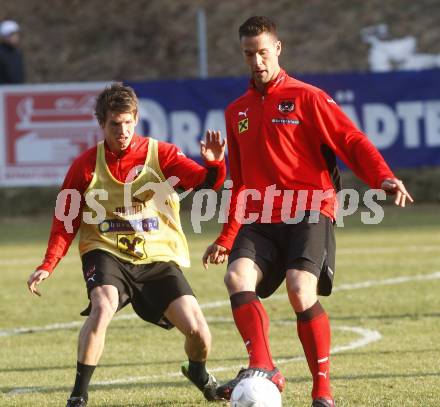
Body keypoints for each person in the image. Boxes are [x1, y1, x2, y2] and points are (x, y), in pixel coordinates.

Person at [202, 16, 413, 407]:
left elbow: (351, 140)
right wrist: (226, 236)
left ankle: (322, 390)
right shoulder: (237, 112)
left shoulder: (308, 97)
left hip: (309, 209)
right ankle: (263, 366)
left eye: (263, 52)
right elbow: (239, 181)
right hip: (260, 216)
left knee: (300, 289)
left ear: (277, 49)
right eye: (249, 54)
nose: (257, 61)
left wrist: (381, 177)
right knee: (236, 277)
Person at [26, 83, 227, 407]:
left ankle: (199, 373)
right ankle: (78, 396)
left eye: (127, 123)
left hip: (157, 255)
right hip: (106, 250)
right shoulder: (86, 165)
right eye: (114, 125)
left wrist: (216, 165)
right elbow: (66, 221)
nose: (122, 131)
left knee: (199, 333)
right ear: (101, 125)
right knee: (103, 306)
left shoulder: (160, 154)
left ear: (136, 119)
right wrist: (47, 264)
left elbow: (206, 183)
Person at [0, 20, 25, 84]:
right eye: (12, 34)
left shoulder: (17, 53)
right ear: (4, 36)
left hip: (16, 91)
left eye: (16, 34)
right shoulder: (1, 53)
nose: (15, 37)